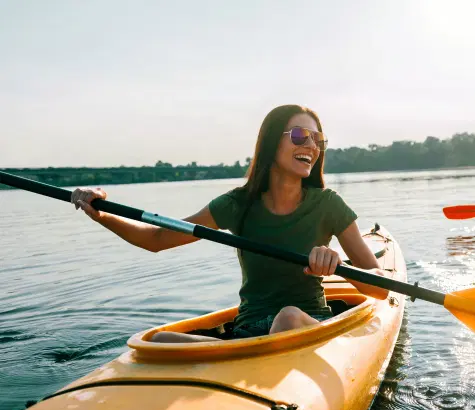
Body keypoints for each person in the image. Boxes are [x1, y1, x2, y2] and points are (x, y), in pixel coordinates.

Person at [70, 104, 388, 343]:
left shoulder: (328, 204)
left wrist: (336, 265)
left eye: (318, 139)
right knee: (158, 339)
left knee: (288, 317)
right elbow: (156, 238)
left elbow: (380, 287)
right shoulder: (236, 204)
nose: (311, 146)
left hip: (305, 325)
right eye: (300, 135)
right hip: (248, 333)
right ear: (270, 142)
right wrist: (101, 213)